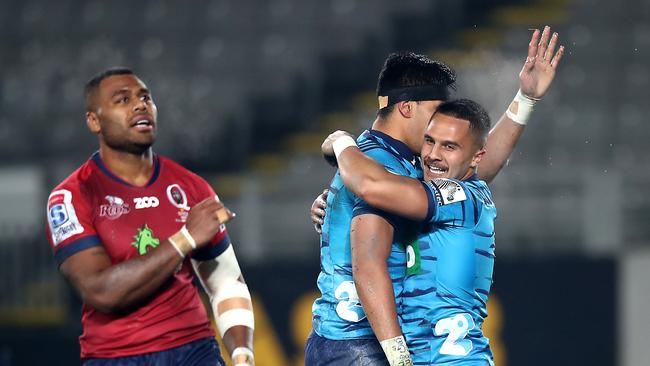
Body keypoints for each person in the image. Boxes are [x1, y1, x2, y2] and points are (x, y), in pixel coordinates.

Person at [307, 26, 564, 365]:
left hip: (353, 341)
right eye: (436, 113)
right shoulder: (381, 167)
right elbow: (368, 266)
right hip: (362, 343)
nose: (442, 122)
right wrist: (399, 357)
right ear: (407, 108)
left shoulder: (395, 162)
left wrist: (525, 100)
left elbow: (473, 169)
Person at [45, 68, 254, 366]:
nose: (140, 105)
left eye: (145, 97)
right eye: (122, 100)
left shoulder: (193, 187)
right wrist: (186, 238)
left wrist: (243, 355)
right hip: (115, 356)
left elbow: (226, 283)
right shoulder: (71, 196)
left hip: (194, 350)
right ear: (94, 121)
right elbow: (101, 291)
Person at [322, 98, 497, 365]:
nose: (433, 154)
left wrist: (342, 141)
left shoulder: (457, 195)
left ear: (476, 157)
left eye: (449, 146)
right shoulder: (433, 197)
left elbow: (370, 185)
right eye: (429, 141)